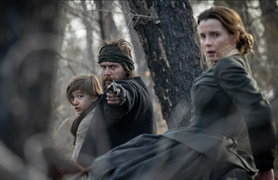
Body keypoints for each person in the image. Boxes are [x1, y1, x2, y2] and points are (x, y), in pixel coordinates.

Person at [90, 6, 276, 180]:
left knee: (115, 167)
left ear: (234, 36)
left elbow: (258, 109)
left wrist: (265, 166)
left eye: (215, 35)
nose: (207, 43)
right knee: (117, 161)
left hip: (203, 148)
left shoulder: (229, 66)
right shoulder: (231, 64)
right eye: (203, 36)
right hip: (195, 143)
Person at [77, 39, 157, 168]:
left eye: (113, 67)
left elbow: (126, 95)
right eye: (103, 67)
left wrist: (119, 96)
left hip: (127, 170)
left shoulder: (131, 88)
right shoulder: (140, 87)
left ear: (126, 68)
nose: (106, 73)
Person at [65, 74, 103, 162]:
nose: (74, 102)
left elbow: (78, 164)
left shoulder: (87, 123)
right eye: (72, 97)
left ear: (94, 97)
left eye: (80, 96)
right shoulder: (99, 112)